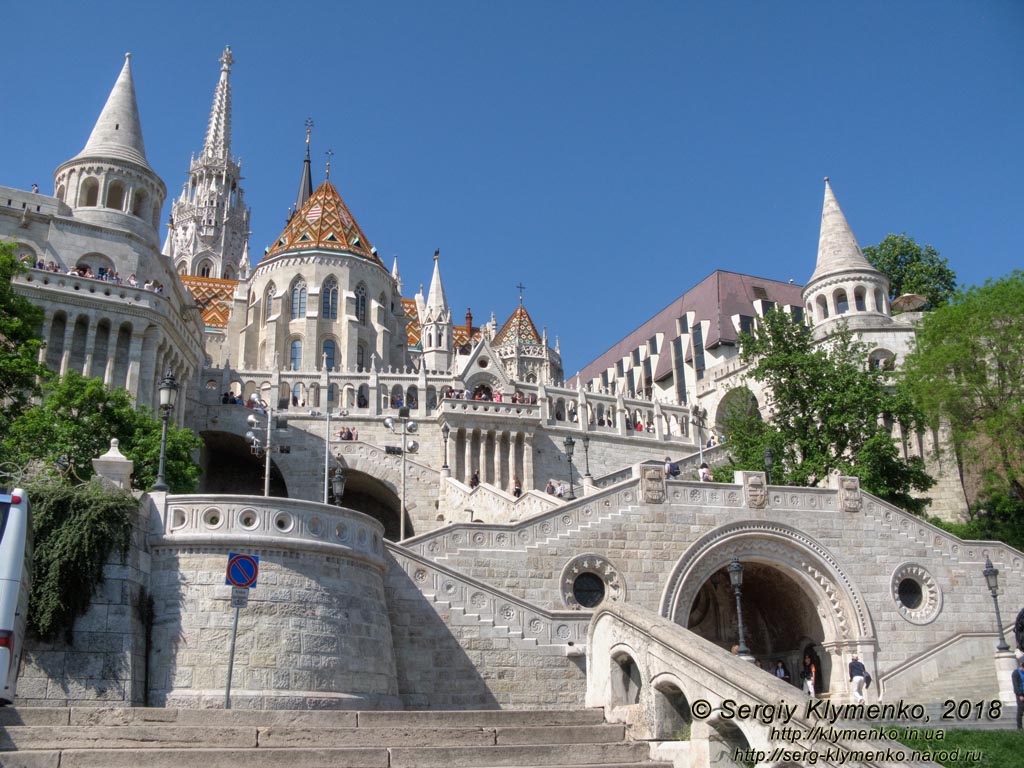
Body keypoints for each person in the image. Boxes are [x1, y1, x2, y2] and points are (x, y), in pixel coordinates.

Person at [1013, 657, 1024, 731]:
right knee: (1020, 710)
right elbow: (1016, 685)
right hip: (1020, 695)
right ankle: (1019, 728)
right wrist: (1020, 694)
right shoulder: (1016, 673)